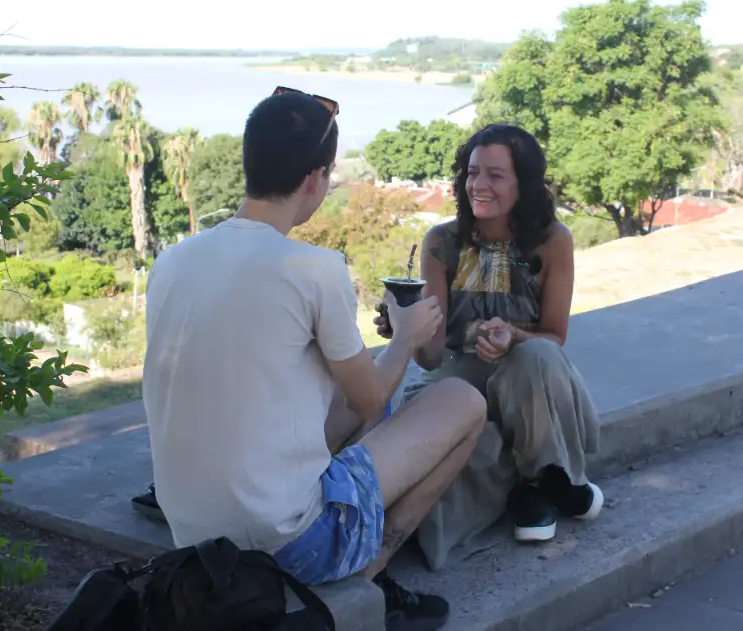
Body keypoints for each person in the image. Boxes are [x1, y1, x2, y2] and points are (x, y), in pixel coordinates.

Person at [140, 88, 487, 631]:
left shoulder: (172, 263)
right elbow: (373, 396)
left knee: (347, 399)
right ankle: (369, 579)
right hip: (290, 544)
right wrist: (405, 337)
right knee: (463, 401)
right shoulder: (313, 268)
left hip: (195, 531)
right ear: (314, 179)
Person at [372, 123, 602, 569]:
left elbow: (554, 335)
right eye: (473, 172)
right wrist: (408, 330)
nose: (478, 185)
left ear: (523, 183)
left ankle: (536, 485)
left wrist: (514, 335)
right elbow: (432, 357)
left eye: (495, 175)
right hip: (456, 376)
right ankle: (540, 481)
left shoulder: (554, 241)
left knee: (536, 354)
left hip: (530, 377)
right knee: (435, 477)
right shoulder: (441, 242)